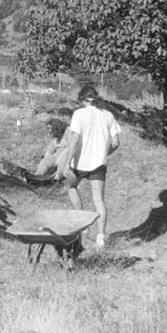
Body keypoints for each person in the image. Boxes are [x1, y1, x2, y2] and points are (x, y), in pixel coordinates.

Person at [55, 85, 121, 248]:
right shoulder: (108, 115)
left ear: (82, 99)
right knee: (99, 200)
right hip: (99, 164)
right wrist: (105, 154)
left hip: (79, 163)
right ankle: (101, 237)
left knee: (71, 187)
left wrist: (67, 162)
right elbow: (116, 142)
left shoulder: (79, 114)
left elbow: (75, 139)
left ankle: (83, 226)